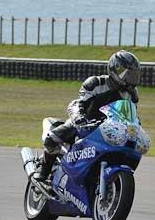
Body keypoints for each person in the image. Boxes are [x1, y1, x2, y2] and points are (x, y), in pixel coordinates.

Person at [36, 50, 142, 182]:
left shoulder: (131, 94)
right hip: (85, 122)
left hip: (110, 128)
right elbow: (78, 104)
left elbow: (130, 113)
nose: (130, 79)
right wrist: (78, 117)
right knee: (52, 138)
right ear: (115, 70)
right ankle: (43, 173)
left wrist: (136, 125)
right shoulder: (95, 83)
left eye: (133, 75)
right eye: (127, 74)